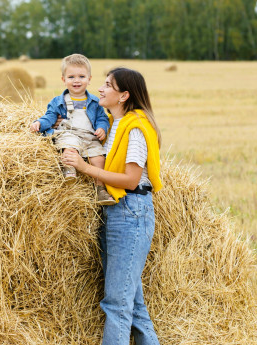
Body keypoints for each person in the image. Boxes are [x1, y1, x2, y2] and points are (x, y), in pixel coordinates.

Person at [61, 67, 162, 345]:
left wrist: (83, 168)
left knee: (117, 304)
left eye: (108, 85)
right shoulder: (111, 123)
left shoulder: (136, 127)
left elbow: (130, 180)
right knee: (134, 307)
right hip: (116, 210)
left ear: (124, 95)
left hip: (131, 211)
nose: (101, 89)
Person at [30, 54, 115, 205]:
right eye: (71, 77)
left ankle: (100, 189)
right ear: (63, 80)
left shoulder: (95, 102)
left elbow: (102, 118)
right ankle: (69, 169)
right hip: (70, 134)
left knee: (99, 159)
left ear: (89, 79)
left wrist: (102, 127)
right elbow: (49, 117)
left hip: (90, 137)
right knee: (69, 146)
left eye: (82, 76)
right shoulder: (58, 101)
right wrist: (39, 123)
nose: (76, 80)